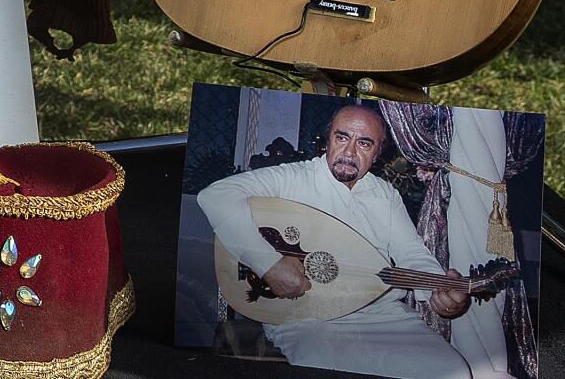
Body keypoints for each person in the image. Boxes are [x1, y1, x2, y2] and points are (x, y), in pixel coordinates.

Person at [198, 103, 474, 377]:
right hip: (304, 318)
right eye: (342, 137)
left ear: (377, 154)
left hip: (382, 315)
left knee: (454, 370)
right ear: (327, 140)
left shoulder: (385, 195)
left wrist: (440, 289)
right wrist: (268, 264)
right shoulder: (293, 178)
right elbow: (215, 196)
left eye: (364, 143)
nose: (349, 152)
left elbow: (410, 251)